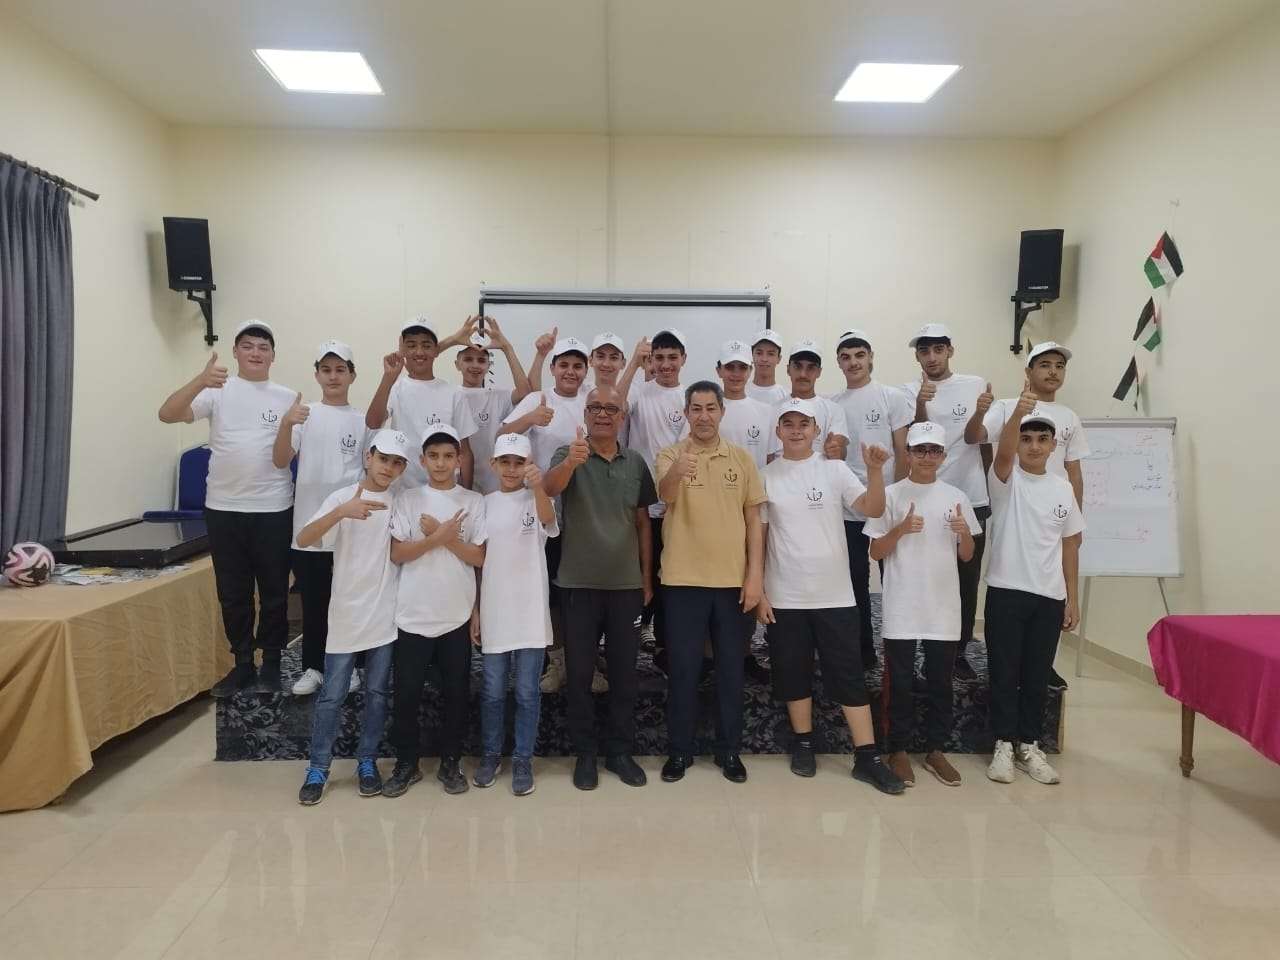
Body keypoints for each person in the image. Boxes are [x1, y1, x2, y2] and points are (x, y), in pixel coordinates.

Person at [756, 398, 904, 795]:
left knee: (848, 675)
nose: (796, 430)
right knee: (793, 672)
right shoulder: (765, 476)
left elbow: (872, 508)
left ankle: (867, 757)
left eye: (804, 423)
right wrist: (761, 592)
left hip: (835, 596)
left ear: (817, 430)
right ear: (778, 431)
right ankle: (803, 744)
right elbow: (761, 537)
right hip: (785, 596)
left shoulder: (835, 470)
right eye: (788, 423)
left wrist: (875, 471)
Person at [158, 319, 296, 697]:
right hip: (223, 507)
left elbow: (284, 457)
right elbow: (167, 414)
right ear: (235, 352)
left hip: (273, 507)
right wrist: (200, 380)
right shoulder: (217, 391)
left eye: (263, 347)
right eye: (247, 346)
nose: (255, 353)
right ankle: (242, 664)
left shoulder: (287, 397)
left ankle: (271, 663)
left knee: (274, 590)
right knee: (233, 592)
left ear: (273, 356)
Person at [544, 385, 656, 790]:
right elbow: (549, 489)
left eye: (612, 408)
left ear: (622, 417)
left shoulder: (636, 461)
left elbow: (642, 522)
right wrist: (570, 464)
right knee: (579, 676)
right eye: (595, 407)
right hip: (578, 584)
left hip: (625, 586)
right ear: (586, 414)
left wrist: (646, 578)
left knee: (625, 676)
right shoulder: (568, 452)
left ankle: (620, 752)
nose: (603, 414)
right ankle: (585, 754)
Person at [655, 381, 765, 784]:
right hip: (682, 581)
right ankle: (679, 751)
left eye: (710, 408)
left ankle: (729, 750)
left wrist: (755, 577)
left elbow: (754, 520)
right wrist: (678, 471)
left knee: (731, 671)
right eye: (696, 408)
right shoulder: (670, 455)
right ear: (686, 413)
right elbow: (665, 497)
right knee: (683, 670)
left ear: (722, 412)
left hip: (732, 583)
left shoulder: (741, 458)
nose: (703, 416)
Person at [294, 429, 410, 805]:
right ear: (368, 457)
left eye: (396, 462)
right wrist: (341, 512)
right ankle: (318, 767)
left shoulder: (401, 502)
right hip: (345, 615)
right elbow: (305, 538)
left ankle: (367, 762)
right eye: (383, 459)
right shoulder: (341, 497)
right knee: (332, 695)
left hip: (384, 615)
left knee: (377, 694)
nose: (388, 467)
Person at [866, 421, 982, 788]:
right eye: (920, 450)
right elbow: (875, 551)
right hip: (902, 603)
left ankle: (935, 749)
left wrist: (964, 534)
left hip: (942, 606)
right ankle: (897, 750)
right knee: (899, 682)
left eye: (934, 450)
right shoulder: (890, 495)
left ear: (943, 455)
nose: (927, 457)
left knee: (940, 682)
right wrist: (900, 529)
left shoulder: (956, 496)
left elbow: (967, 555)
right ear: (908, 454)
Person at [984, 396, 1083, 787]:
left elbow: (1070, 545)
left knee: (1037, 675)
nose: (1035, 446)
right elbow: (1003, 453)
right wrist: (1018, 413)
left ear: (1053, 446)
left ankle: (1029, 744)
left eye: (1043, 439)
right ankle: (1003, 745)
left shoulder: (1063, 489)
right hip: (1007, 592)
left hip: (1049, 597)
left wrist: (1072, 598)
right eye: (1027, 438)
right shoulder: (1005, 480)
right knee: (1004, 673)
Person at [384, 425, 487, 798]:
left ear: (459, 460)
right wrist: (437, 538)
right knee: (407, 695)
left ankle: (451, 762)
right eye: (433, 456)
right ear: (422, 460)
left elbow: (479, 557)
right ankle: (406, 763)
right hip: (412, 614)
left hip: (455, 615)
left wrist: (446, 537)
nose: (441, 463)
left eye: (448, 456)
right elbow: (398, 553)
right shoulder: (407, 499)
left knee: (456, 694)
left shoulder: (474, 501)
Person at [500, 334, 599, 693]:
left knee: (583, 594)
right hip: (543, 513)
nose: (570, 371)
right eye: (564, 365)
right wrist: (530, 418)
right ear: (554, 368)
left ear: (586, 370)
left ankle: (587, 661)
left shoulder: (592, 402)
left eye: (577, 366)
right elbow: (502, 436)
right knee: (550, 592)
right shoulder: (537, 398)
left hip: (586, 512)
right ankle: (556, 662)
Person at [273, 339, 369, 696]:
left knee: (348, 603)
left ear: (352, 375)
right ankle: (313, 667)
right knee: (314, 603)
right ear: (316, 375)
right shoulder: (304, 415)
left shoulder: (363, 420)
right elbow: (280, 460)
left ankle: (351, 667)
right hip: (309, 528)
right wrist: (286, 424)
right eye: (326, 370)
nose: (333, 376)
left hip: (350, 529)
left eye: (340, 369)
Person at [680, 339, 778, 684]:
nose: (736, 373)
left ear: (750, 370)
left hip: (750, 508)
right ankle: (709, 656)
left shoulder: (765, 411)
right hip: (708, 513)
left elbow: (770, 460)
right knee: (712, 591)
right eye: (729, 367)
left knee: (747, 583)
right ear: (719, 370)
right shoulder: (701, 408)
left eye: (742, 367)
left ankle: (744, 653)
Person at [899, 322, 990, 681]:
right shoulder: (909, 391)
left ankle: (959, 652)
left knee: (966, 580)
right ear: (917, 356)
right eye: (924, 350)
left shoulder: (975, 385)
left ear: (950, 350)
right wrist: (921, 404)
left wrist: (989, 491)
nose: (932, 357)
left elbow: (982, 441)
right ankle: (923, 651)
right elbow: (912, 439)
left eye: (938, 349)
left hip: (970, 496)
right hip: (924, 498)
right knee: (925, 578)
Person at [472, 432, 557, 797]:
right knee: (492, 691)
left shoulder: (538, 498)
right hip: (495, 610)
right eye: (504, 462)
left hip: (530, 612)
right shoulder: (484, 504)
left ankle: (523, 758)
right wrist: (475, 608)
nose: (511, 469)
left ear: (529, 465)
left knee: (526, 692)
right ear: (493, 465)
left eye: (518, 462)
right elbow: (478, 560)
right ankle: (491, 754)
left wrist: (538, 487)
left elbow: (549, 522)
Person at [828, 329, 913, 669]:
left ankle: (898, 656)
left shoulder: (892, 397)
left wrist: (899, 499)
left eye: (859, 355)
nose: (853, 363)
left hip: (886, 505)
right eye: (846, 357)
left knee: (895, 580)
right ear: (839, 363)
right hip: (848, 508)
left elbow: (902, 451)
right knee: (854, 581)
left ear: (871, 357)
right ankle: (861, 652)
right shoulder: (832, 404)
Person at [622, 329, 689, 674]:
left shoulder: (690, 397)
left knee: (668, 580)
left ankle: (664, 648)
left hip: (677, 506)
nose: (665, 364)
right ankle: (623, 644)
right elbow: (616, 405)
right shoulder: (638, 392)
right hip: (638, 503)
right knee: (635, 575)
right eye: (658, 358)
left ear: (683, 359)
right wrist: (634, 364)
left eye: (672, 357)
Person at [965, 341, 1089, 506]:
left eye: (1059, 366)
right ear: (1029, 372)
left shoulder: (1070, 416)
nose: (1053, 371)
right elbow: (972, 437)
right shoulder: (1006, 406)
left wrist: (1077, 516)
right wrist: (979, 413)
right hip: (1014, 503)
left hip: (1055, 505)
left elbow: (1074, 471)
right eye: (1045, 365)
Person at [365, 316, 479, 489]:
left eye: (426, 346)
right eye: (411, 345)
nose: (419, 352)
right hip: (402, 489)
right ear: (402, 349)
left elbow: (465, 451)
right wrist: (388, 378)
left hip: (445, 490)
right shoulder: (395, 387)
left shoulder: (454, 393)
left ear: (436, 350)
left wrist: (466, 493)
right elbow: (373, 423)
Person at [454, 317, 533, 495]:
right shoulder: (450, 395)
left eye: (481, 360)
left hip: (494, 484)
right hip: (458, 484)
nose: (475, 365)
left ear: (489, 365)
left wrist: (507, 348)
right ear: (457, 364)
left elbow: (525, 392)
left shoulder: (497, 396)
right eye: (468, 359)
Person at [776, 339, 849, 461]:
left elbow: (840, 451)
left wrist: (835, 451)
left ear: (819, 372)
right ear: (788, 369)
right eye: (798, 366)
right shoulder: (773, 409)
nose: (803, 374)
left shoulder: (834, 410)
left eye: (811, 368)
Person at [746, 328, 789, 406]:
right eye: (759, 353)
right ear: (752, 356)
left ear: (779, 359)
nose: (764, 359)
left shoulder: (787, 397)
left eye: (771, 354)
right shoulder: (741, 393)